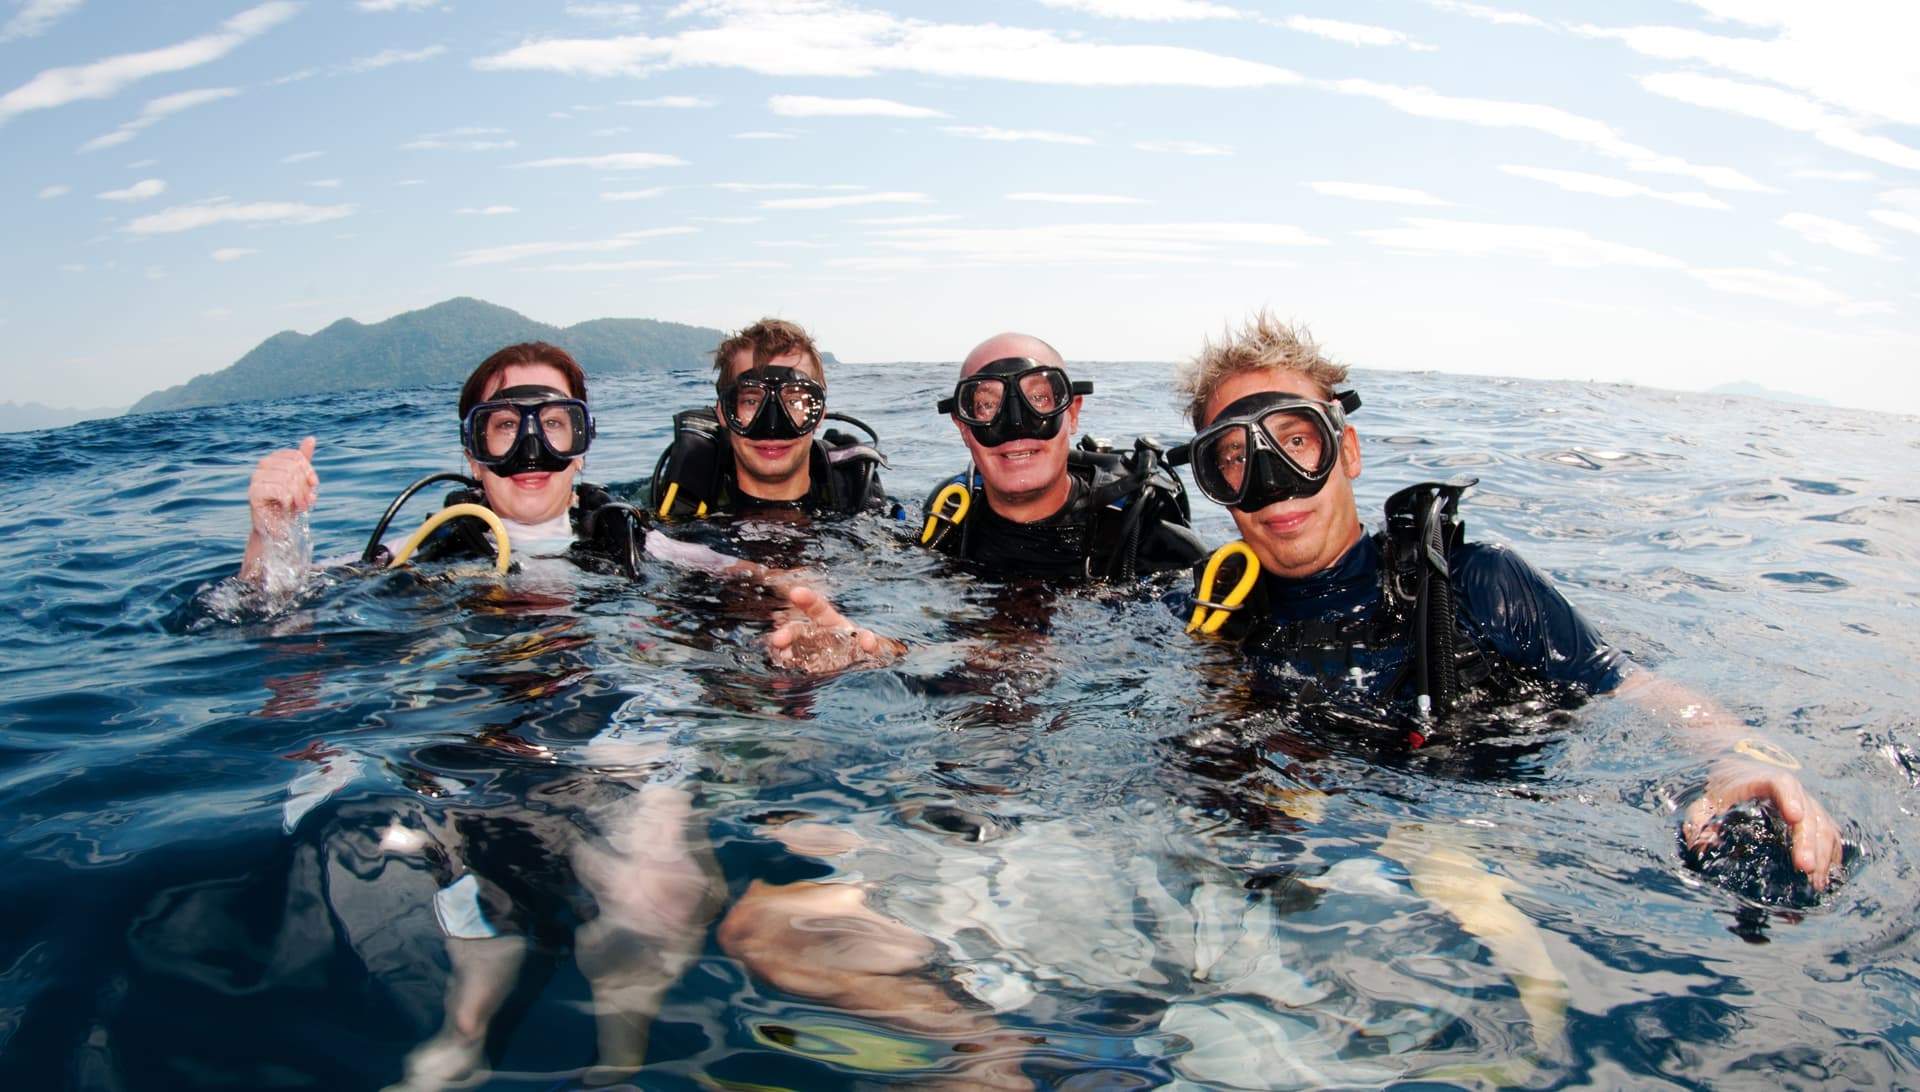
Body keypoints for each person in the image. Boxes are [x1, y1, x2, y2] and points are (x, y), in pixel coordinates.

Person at [1170, 309, 1846, 891]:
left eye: (1296, 441)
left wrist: (1735, 756)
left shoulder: (1479, 586)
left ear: (1346, 450)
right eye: (1232, 458)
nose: (1273, 483)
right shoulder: (1206, 615)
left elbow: (1631, 686)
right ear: (1211, 482)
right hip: (1296, 854)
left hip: (1480, 851)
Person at [919, 332, 1204, 582]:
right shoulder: (947, 522)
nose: (1015, 425)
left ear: (1072, 412)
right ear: (964, 426)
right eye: (987, 405)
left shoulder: (1147, 542)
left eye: (1039, 399)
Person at [648, 317, 895, 521]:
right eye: (752, 401)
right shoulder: (676, 500)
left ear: (819, 414)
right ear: (723, 413)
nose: (773, 427)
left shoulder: (856, 498)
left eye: (794, 402)